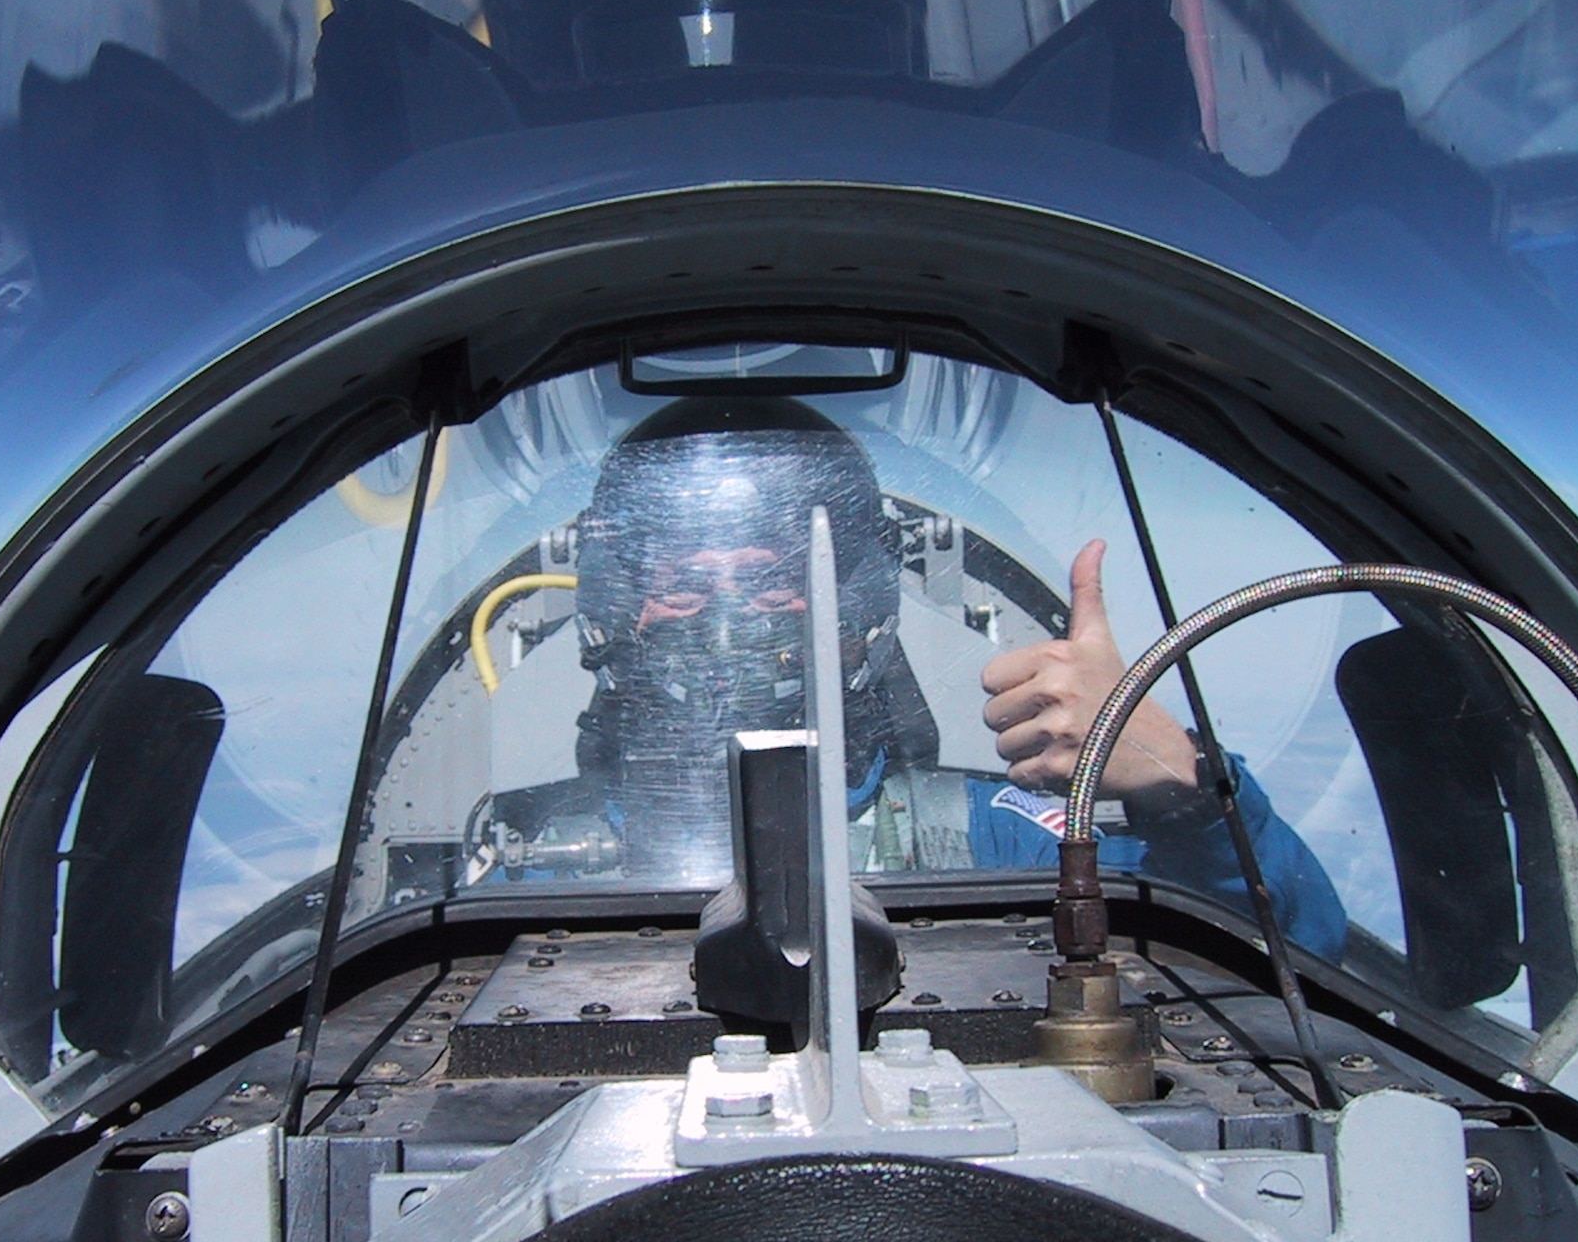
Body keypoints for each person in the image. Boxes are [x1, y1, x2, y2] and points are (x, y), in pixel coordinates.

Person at [564, 395, 1348, 961]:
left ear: (854, 603)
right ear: (619, 608)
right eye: (683, 582)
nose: (728, 617)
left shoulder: (986, 834)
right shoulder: (516, 852)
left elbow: (1295, 953)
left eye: (772, 577)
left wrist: (1179, 785)